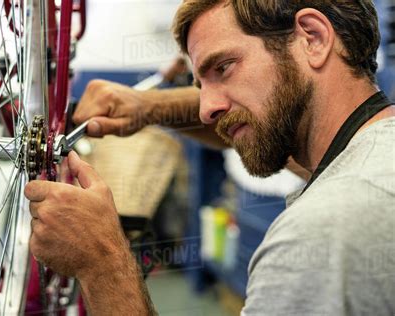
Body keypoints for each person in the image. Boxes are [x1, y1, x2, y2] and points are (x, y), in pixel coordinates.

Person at [24, 0, 395, 314]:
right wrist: (148, 106)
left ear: (312, 38)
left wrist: (101, 263)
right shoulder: (375, 147)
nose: (205, 110)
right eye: (200, 85)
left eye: (223, 67)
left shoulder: (321, 233)